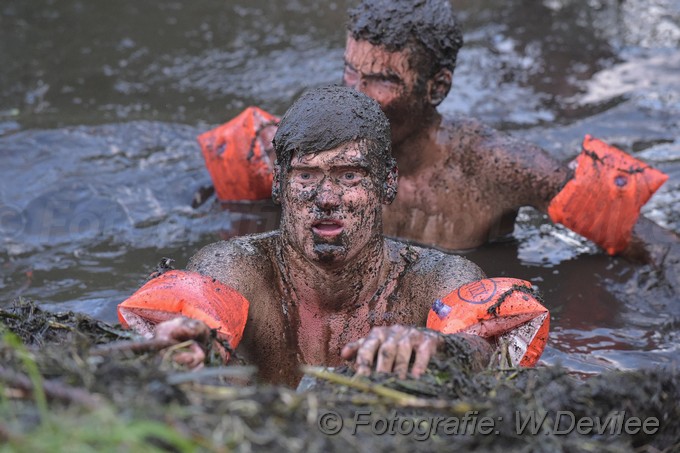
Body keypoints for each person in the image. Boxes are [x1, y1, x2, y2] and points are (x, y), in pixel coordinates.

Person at [119, 86, 548, 387]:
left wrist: (440, 349)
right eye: (307, 174)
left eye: (349, 175)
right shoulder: (235, 267)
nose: (326, 197)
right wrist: (190, 342)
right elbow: (197, 316)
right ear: (278, 184)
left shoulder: (434, 280)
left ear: (387, 184)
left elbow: (490, 349)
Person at [341, 0, 675, 261]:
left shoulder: (498, 166)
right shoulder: (316, 149)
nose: (355, 95)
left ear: (437, 88)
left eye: (384, 80)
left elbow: (660, 250)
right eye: (350, 71)